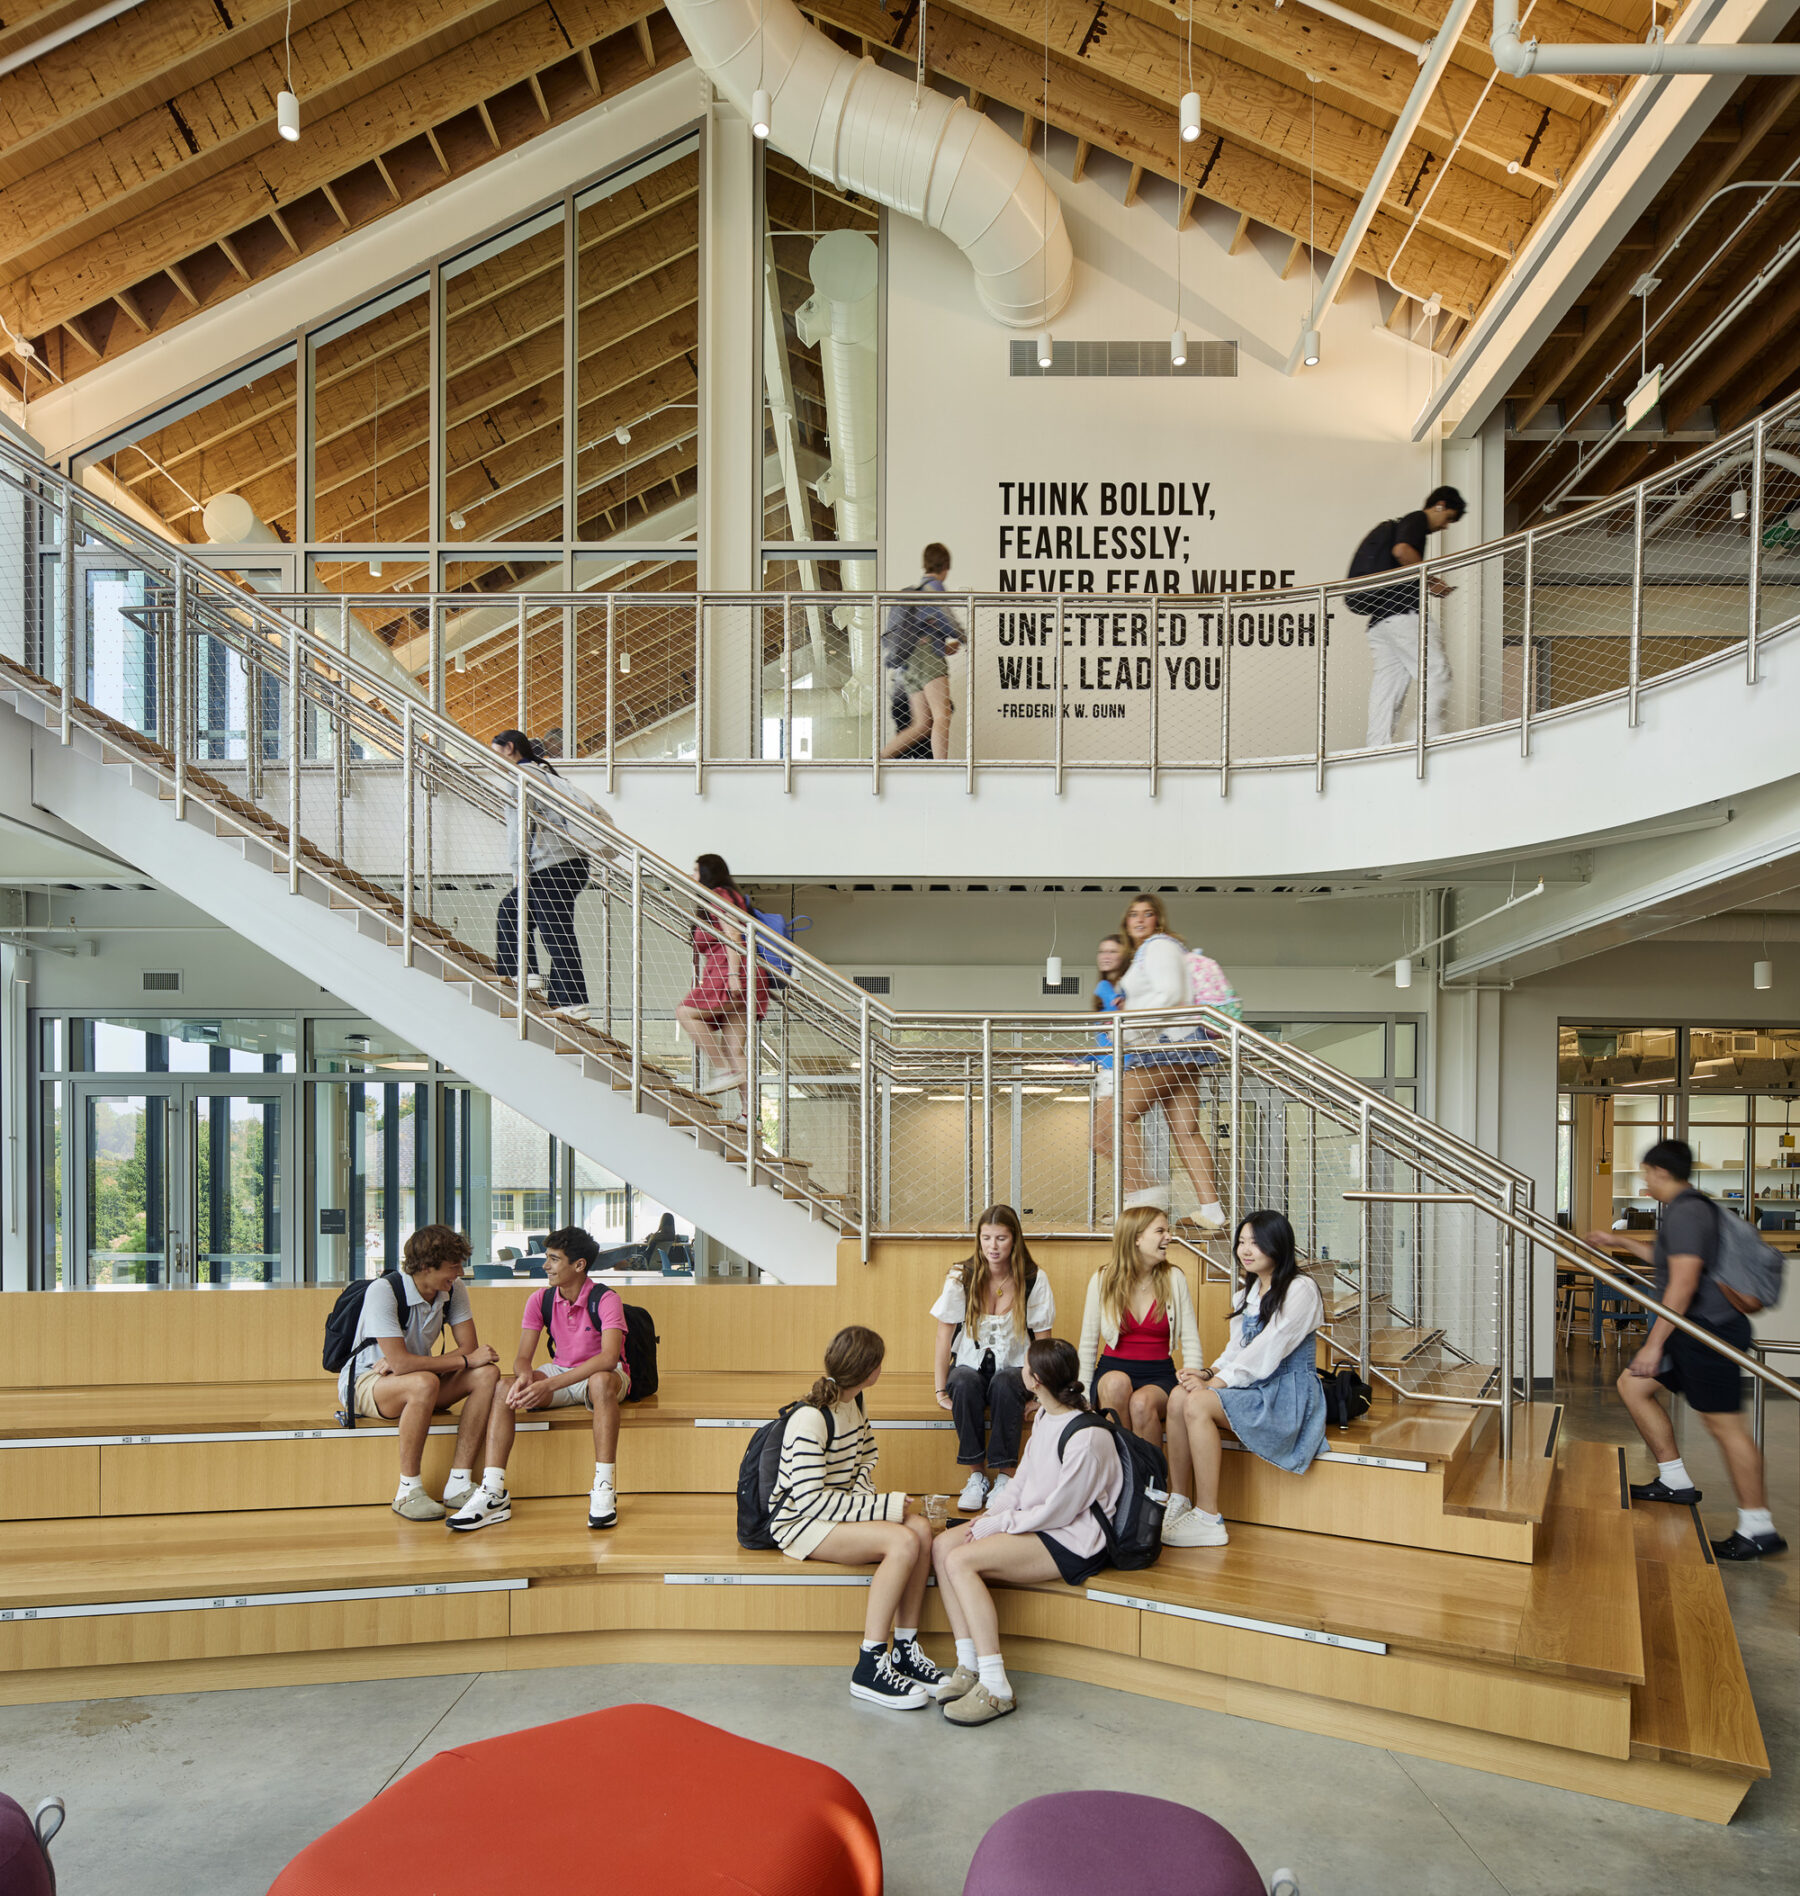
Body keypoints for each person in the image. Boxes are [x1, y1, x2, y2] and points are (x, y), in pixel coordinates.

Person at [1584, 1140, 1786, 1560]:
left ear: (1660, 1172)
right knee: (1633, 1387)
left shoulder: (1689, 1212)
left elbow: (1683, 1283)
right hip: (1690, 1330)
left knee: (1724, 1427)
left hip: (1709, 1332)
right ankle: (1674, 1480)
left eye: (1645, 1173)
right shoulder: (1685, 1210)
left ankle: (1758, 1527)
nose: (1643, 1181)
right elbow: (1665, 1259)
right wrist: (1615, 1242)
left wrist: (1653, 1344)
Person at [931, 1337, 1124, 1726]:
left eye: (1025, 1368)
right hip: (1037, 1521)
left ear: (1034, 1380)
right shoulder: (1045, 1416)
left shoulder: (1087, 1436)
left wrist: (1002, 1525)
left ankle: (996, 1685)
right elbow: (1022, 1482)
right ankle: (968, 1664)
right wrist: (993, 1513)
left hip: (1073, 1538)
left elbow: (1060, 1510)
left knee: (962, 1561)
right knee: (943, 1546)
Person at [770, 1325, 952, 1708]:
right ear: (872, 1370)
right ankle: (869, 1663)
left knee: (919, 1528)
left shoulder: (856, 1402)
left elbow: (867, 1456)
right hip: (799, 1525)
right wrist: (882, 1510)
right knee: (902, 1538)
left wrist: (870, 1501)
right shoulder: (810, 1419)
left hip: (834, 1512)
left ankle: (904, 1648)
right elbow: (809, 1503)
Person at [447, 1225, 628, 1534]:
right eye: (547, 1258)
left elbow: (608, 1359)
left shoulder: (607, 1299)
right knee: (505, 1387)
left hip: (603, 1376)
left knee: (599, 1381)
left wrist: (548, 1385)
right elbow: (521, 1359)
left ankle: (604, 1487)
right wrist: (525, 1378)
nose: (545, 1266)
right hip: (560, 1372)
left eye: (554, 1259)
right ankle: (493, 1493)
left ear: (579, 1265)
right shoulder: (539, 1299)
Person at [1162, 1208, 1327, 1548]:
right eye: (1241, 1242)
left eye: (1255, 1242)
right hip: (1254, 1386)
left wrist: (1214, 1385)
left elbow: (1268, 1349)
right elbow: (1237, 1351)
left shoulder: (1301, 1289)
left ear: (1278, 1245)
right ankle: (1178, 1499)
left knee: (1196, 1403)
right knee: (1179, 1395)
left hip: (1285, 1395)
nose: (1245, 1250)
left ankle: (1209, 1517)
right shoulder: (1246, 1294)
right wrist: (1206, 1372)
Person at [335, 1224, 501, 1522]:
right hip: (366, 1384)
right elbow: (412, 1363)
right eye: (453, 1267)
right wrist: (412, 1364)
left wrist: (410, 1363)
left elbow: (469, 1348)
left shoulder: (453, 1290)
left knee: (487, 1374)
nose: (460, 1273)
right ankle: (407, 1490)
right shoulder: (383, 1291)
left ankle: (459, 1482)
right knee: (423, 1382)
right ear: (425, 1266)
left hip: (417, 1380)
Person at [1091, 892, 1226, 1225]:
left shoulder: (1159, 946)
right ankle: (1212, 1212)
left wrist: (1130, 1031)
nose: (1139, 920)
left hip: (1163, 1049)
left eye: (1147, 914)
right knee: (1186, 1131)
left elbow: (1170, 993)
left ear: (1158, 919)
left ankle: (1141, 1200)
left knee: (1112, 1120)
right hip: (1177, 1048)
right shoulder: (1147, 953)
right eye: (1133, 914)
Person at [930, 1204, 1057, 1512]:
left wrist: (1042, 1395)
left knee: (1004, 1382)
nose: (992, 1246)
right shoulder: (962, 1276)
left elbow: (1043, 1343)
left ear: (1014, 1239)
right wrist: (940, 1389)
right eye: (986, 1238)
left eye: (1000, 1238)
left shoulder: (1033, 1278)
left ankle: (1005, 1476)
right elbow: (943, 1336)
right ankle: (976, 1477)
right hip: (970, 1364)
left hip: (1017, 1370)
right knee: (962, 1379)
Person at [491, 729, 614, 1017]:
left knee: (553, 930)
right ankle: (548, 988)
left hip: (550, 865)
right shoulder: (545, 773)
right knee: (516, 913)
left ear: (509, 748)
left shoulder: (521, 776)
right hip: (572, 864)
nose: (495, 760)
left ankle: (570, 998)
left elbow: (521, 827)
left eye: (496, 752)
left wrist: (518, 868)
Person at [1346, 486, 1465, 748]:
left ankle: (1376, 747)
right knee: (1437, 671)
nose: (1445, 526)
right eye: (1448, 519)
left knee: (1387, 689)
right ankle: (1424, 738)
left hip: (1381, 623)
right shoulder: (1416, 520)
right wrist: (1430, 581)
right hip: (1404, 614)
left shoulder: (1405, 523)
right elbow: (1402, 551)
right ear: (1440, 505)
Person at [1077, 1204, 1200, 1446]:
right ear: (1136, 1238)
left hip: (1159, 1374)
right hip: (1112, 1369)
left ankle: (1150, 1479)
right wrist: (1082, 1395)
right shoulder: (1102, 1279)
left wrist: (1193, 1381)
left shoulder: (1174, 1277)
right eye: (1160, 1231)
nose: (1169, 1237)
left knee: (1142, 1404)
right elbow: (1088, 1342)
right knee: (1115, 1384)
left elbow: (1191, 1340)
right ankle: (1122, 1475)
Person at [676, 853, 770, 1118]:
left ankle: (722, 1069)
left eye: (696, 870)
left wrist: (732, 974)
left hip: (729, 972)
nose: (692, 876)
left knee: (685, 1012)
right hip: (748, 974)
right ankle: (749, 1116)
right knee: (734, 1048)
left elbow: (732, 935)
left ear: (707, 873)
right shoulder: (732, 896)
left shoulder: (719, 895)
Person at [880, 543, 964, 760]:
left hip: (909, 662)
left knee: (922, 724)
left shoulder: (916, 595)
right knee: (942, 715)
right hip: (928, 660)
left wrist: (943, 646)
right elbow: (948, 620)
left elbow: (922, 634)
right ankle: (941, 769)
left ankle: (880, 758)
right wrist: (964, 637)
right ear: (945, 566)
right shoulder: (934, 587)